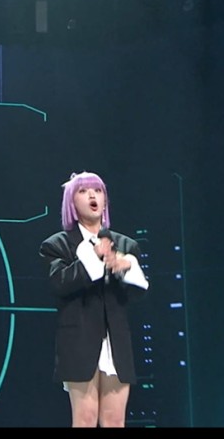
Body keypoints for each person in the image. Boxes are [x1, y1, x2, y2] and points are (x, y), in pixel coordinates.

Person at [39, 171, 149, 428]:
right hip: (79, 341)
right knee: (85, 419)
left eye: (98, 191)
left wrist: (125, 267)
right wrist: (93, 257)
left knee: (114, 421)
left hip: (116, 343)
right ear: (71, 202)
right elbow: (60, 283)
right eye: (83, 191)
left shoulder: (125, 245)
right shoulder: (57, 245)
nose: (92, 195)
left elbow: (138, 293)